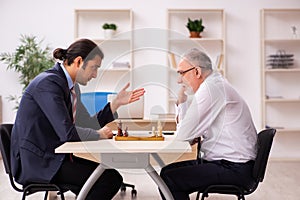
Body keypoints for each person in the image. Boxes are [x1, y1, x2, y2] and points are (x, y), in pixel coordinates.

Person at [10, 38, 145, 200]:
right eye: (94, 68)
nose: (95, 75)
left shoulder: (71, 87)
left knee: (111, 177)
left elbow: (86, 123)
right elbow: (67, 133)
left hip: (54, 156)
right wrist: (100, 134)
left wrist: (115, 104)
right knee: (107, 181)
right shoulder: (48, 84)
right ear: (79, 61)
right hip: (39, 161)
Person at [159, 48, 257, 200]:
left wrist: (181, 102)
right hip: (233, 164)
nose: (179, 81)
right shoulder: (216, 85)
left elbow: (184, 135)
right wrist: (182, 103)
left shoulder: (211, 89)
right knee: (166, 173)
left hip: (235, 168)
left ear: (197, 72)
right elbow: (191, 134)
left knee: (169, 179)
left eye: (181, 73)